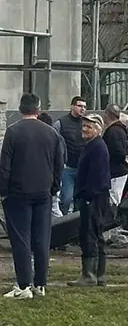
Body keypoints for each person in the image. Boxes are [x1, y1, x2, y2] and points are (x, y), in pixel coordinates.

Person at [0, 93, 64, 299]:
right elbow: (58, 165)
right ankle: (41, 284)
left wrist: (3, 191)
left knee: (21, 240)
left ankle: (23, 285)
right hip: (43, 193)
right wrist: (53, 187)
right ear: (38, 109)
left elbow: (5, 167)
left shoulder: (13, 132)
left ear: (20, 109)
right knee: (42, 239)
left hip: (18, 193)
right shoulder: (51, 133)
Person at [68, 114, 111, 287]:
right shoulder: (93, 146)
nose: (84, 129)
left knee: (89, 234)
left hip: (94, 198)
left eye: (89, 126)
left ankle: (90, 275)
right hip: (96, 196)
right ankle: (99, 274)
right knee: (95, 234)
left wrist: (87, 197)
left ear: (98, 130)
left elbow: (96, 176)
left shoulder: (97, 147)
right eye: (84, 126)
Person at [53, 96, 87, 215]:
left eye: (84, 107)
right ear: (72, 106)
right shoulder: (61, 123)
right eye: (79, 106)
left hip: (83, 168)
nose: (82, 109)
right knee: (66, 199)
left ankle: (77, 226)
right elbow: (54, 143)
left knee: (80, 200)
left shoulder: (87, 123)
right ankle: (63, 223)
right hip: (67, 168)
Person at [39, 112, 66, 218]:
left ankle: (61, 227)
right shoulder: (58, 138)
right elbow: (63, 159)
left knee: (53, 208)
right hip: (55, 179)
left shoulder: (47, 139)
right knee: (54, 207)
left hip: (49, 180)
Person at [102, 104, 128, 206]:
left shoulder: (113, 132)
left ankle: (112, 220)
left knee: (113, 200)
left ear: (107, 114)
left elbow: (119, 152)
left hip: (115, 172)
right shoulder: (120, 130)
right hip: (119, 171)